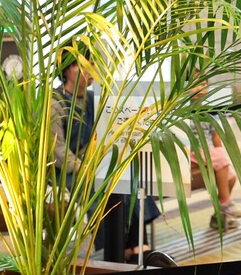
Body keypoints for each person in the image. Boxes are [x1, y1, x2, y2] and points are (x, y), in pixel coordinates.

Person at [51, 52, 160, 262]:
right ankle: (123, 253)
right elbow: (58, 151)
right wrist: (84, 168)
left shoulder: (94, 99)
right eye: (83, 65)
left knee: (128, 181)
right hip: (67, 174)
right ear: (66, 70)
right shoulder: (56, 103)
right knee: (102, 189)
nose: (90, 70)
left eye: (92, 63)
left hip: (95, 167)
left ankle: (135, 248)